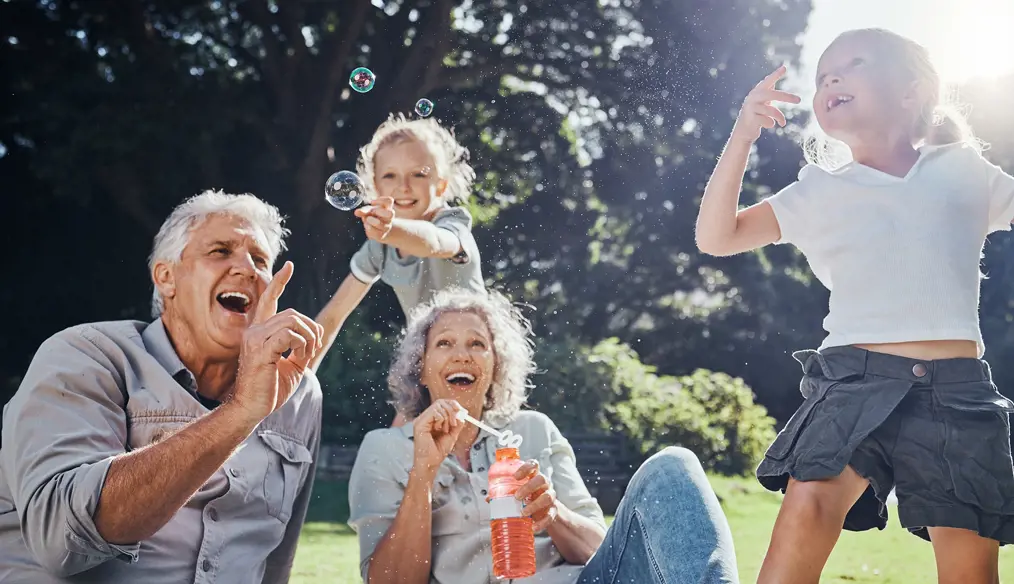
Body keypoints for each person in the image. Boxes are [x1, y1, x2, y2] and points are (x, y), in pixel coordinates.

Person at [695, 28, 1014, 584]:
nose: (830, 80)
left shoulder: (965, 171)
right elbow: (717, 237)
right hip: (853, 380)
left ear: (912, 92)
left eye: (852, 65)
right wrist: (743, 135)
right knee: (807, 509)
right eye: (821, 76)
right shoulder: (818, 190)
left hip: (957, 394)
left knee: (969, 565)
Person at [0, 190, 325, 583]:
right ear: (166, 278)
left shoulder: (299, 392)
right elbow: (61, 542)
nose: (247, 269)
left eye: (260, 260)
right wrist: (241, 412)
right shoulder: (88, 356)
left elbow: (274, 562)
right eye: (220, 251)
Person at [347, 288, 739, 584]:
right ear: (422, 366)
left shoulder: (533, 430)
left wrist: (552, 513)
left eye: (477, 344)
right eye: (444, 343)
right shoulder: (384, 448)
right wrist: (423, 474)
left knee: (673, 466)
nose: (462, 355)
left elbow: (600, 552)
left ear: (496, 367)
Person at [310, 113, 485, 376]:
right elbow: (333, 316)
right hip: (429, 359)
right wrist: (297, 376)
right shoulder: (379, 247)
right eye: (390, 176)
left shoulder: (452, 223)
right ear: (374, 188)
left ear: (441, 185)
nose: (403, 187)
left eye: (417, 174)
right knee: (407, 417)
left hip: (476, 353)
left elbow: (434, 242)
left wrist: (392, 230)